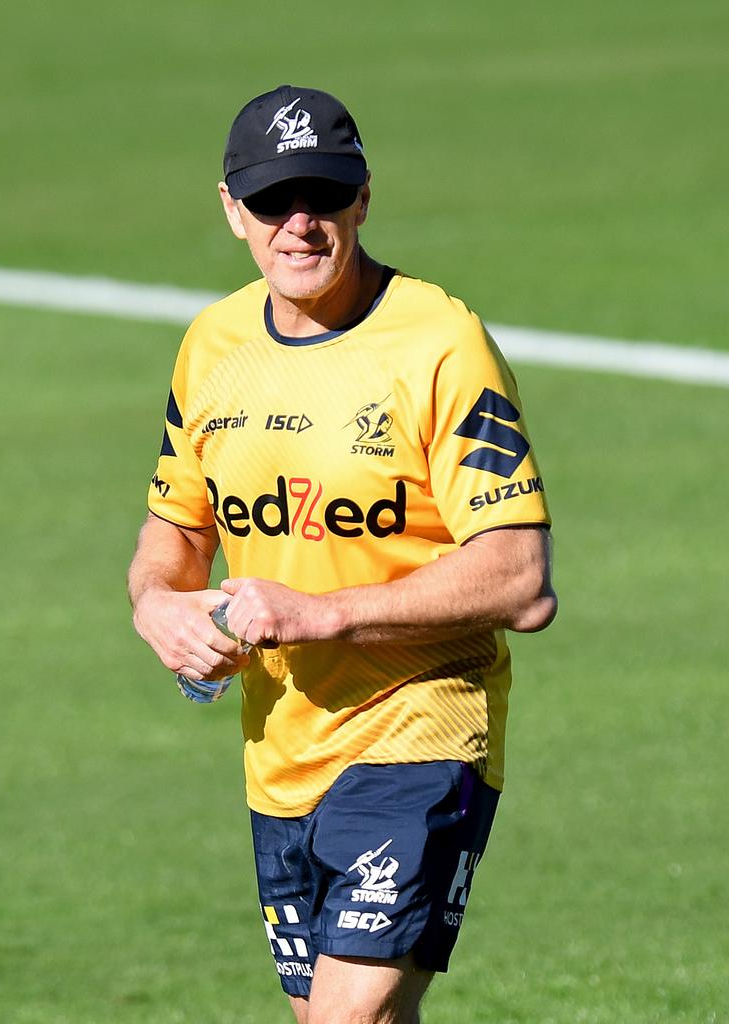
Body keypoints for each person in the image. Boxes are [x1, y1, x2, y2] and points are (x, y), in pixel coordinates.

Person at [128, 84, 557, 1024]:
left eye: (324, 195)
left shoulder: (440, 345)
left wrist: (322, 611)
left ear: (363, 198)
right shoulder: (213, 345)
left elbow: (521, 577)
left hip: (419, 730)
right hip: (281, 748)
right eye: (275, 201)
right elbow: (176, 525)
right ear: (232, 208)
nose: (301, 223)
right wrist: (156, 602)